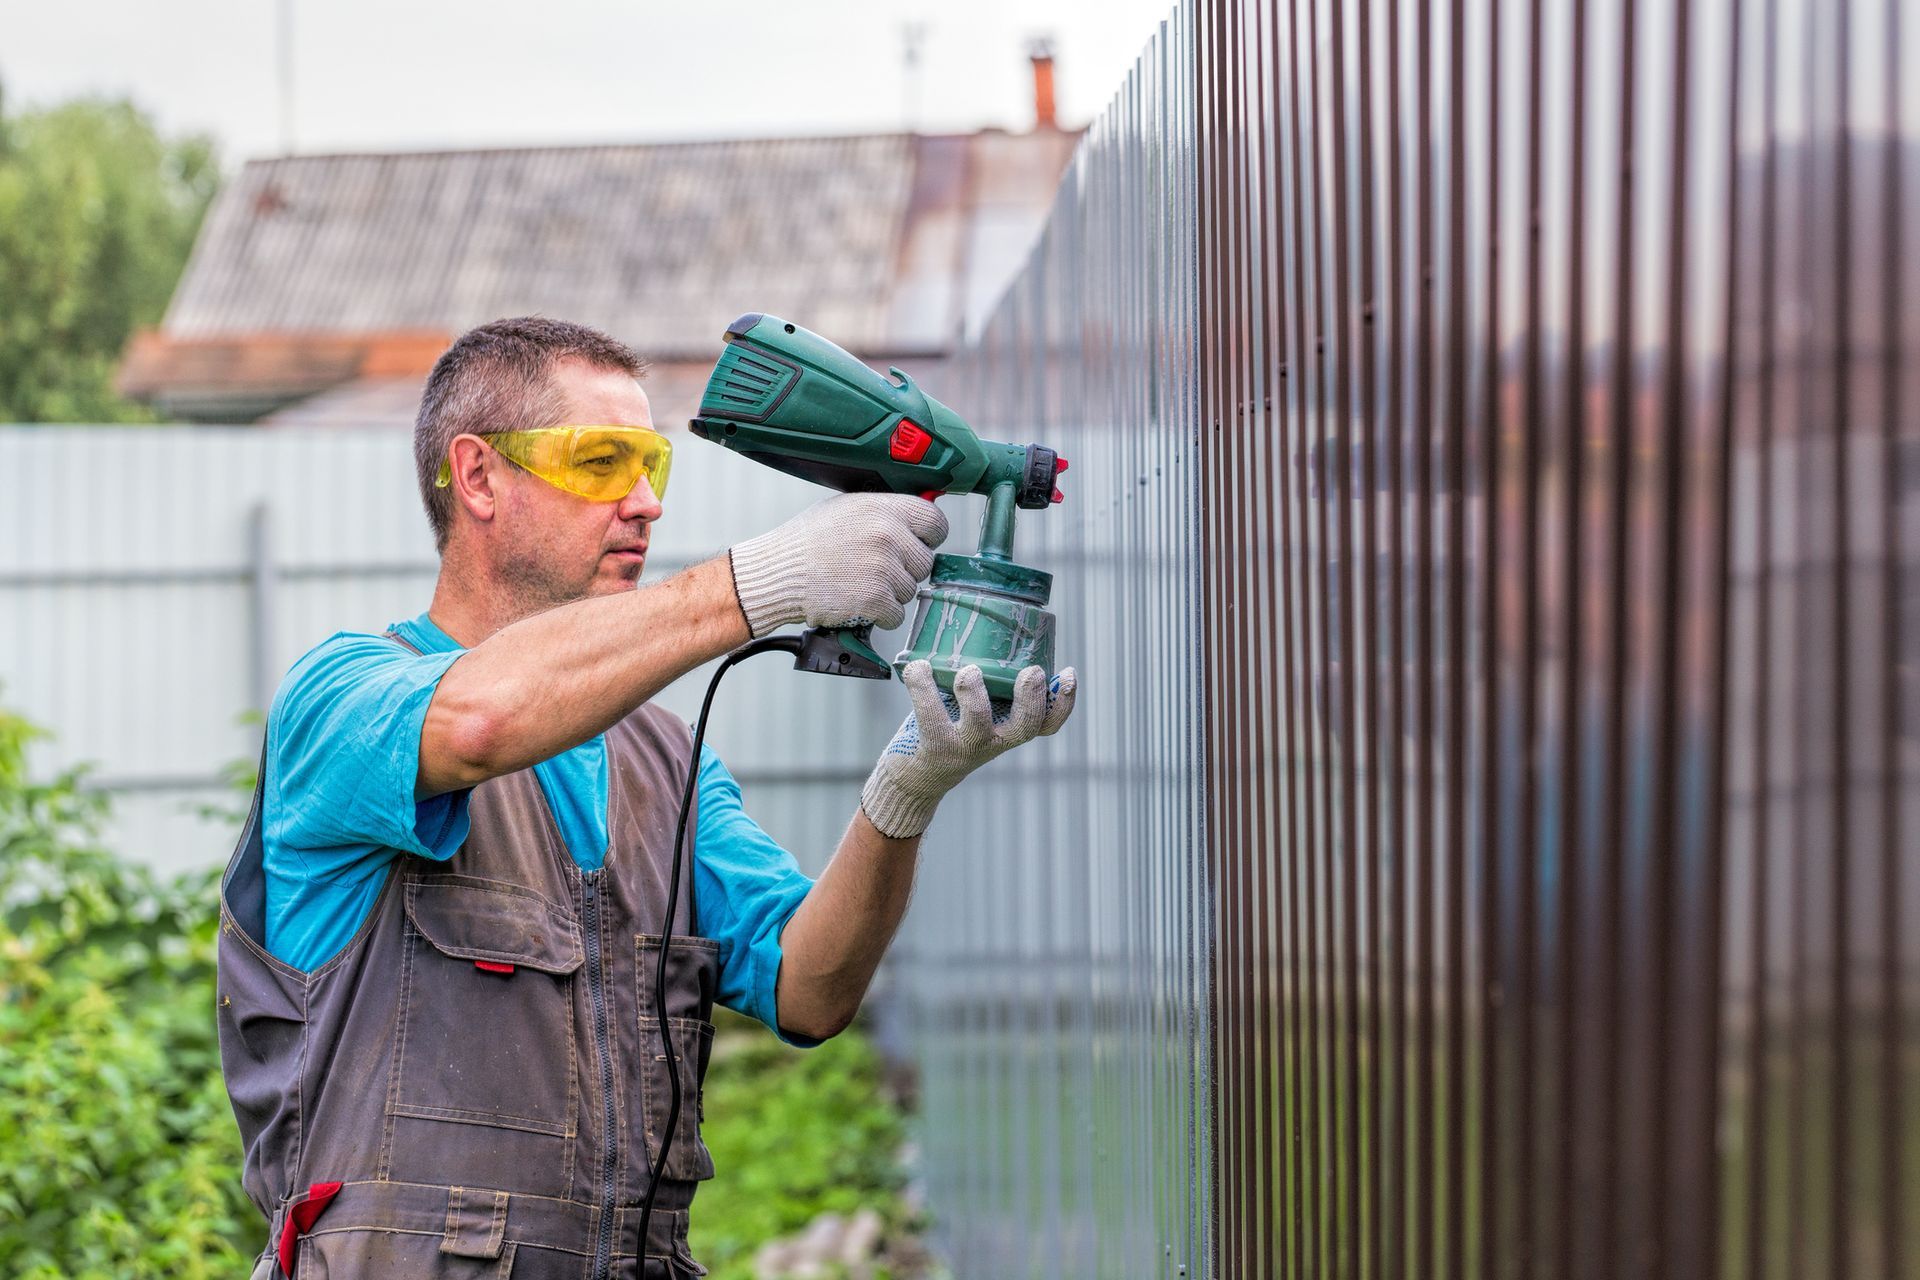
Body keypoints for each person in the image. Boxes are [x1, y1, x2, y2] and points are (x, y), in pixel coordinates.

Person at [214, 317, 1078, 1279]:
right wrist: (759, 586)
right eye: (601, 461)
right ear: (478, 477)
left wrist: (906, 790)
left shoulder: (663, 758)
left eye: (653, 464)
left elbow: (812, 987)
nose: (645, 502)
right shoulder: (340, 702)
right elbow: (475, 723)